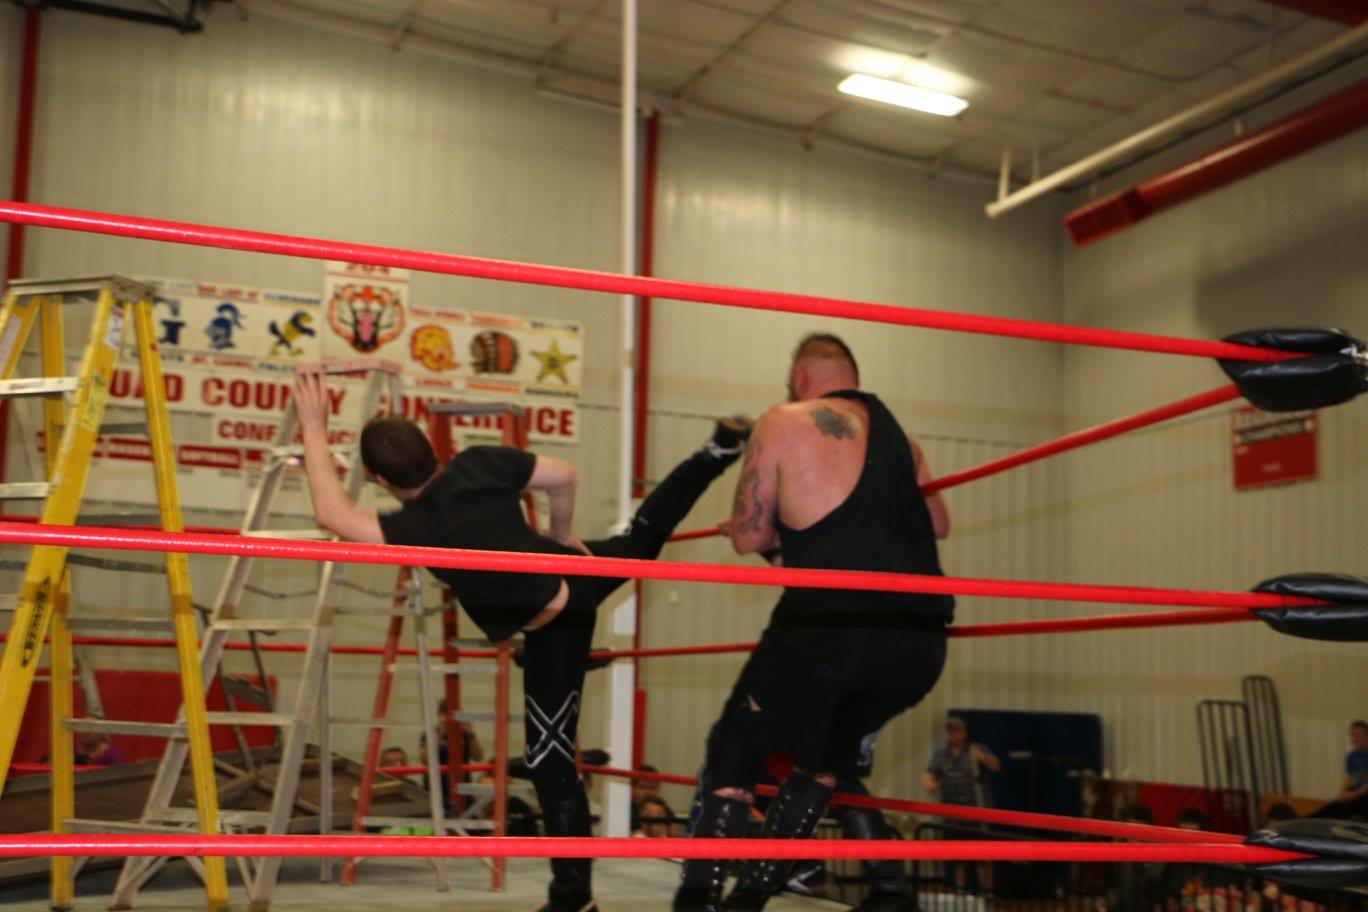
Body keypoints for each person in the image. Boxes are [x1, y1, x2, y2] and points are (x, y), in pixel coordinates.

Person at [292, 367, 752, 912]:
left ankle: (573, 898)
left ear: (379, 479)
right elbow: (563, 475)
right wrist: (562, 534)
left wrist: (313, 424)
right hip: (573, 573)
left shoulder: (416, 529)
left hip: (556, 624)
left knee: (550, 763)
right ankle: (715, 454)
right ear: (433, 449)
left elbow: (332, 513)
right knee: (643, 535)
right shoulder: (477, 462)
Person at [675, 333, 952, 912]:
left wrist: (750, 524)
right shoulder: (903, 441)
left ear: (800, 376)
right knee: (823, 763)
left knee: (735, 747)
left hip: (831, 626)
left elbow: (750, 537)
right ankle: (753, 898)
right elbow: (939, 524)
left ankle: (700, 899)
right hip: (919, 642)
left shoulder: (784, 419)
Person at [923, 715, 1000, 893]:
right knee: (958, 856)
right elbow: (929, 776)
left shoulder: (975, 749)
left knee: (983, 855)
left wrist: (982, 758)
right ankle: (958, 893)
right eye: (950, 730)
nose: (953, 734)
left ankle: (987, 893)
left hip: (977, 814)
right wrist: (930, 783)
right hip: (953, 816)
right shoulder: (941, 755)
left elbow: (996, 766)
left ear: (964, 733)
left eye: (957, 730)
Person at [1309, 720, 1368, 820]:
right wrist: (1343, 791)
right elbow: (1349, 776)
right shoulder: (1352, 756)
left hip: (1364, 796)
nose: (1355, 739)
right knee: (1331, 809)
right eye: (1353, 735)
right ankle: (1304, 821)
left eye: (1359, 735)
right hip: (1356, 794)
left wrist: (1353, 795)